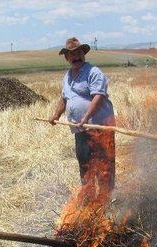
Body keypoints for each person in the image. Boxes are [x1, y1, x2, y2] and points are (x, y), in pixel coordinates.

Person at [49, 37, 116, 194]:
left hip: (99, 127)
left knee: (104, 164)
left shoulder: (93, 72)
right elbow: (65, 98)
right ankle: (89, 196)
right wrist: (56, 115)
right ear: (67, 58)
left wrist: (85, 118)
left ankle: (107, 198)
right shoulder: (67, 76)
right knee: (85, 162)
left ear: (84, 54)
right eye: (71, 54)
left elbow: (98, 97)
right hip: (79, 129)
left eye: (79, 53)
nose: (76, 57)